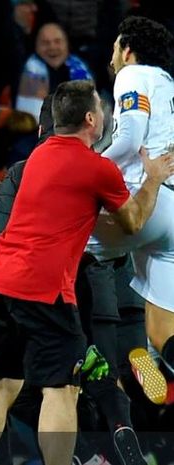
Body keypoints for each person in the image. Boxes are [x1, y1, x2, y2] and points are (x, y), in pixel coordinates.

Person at [0, 79, 174, 465]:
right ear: (92, 119)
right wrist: (153, 178)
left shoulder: (37, 158)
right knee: (62, 389)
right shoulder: (96, 168)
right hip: (44, 290)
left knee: (1, 384)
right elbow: (132, 222)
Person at [86, 16, 174, 405]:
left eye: (115, 48)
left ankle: (84, 353)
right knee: (162, 331)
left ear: (127, 49)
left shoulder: (134, 73)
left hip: (143, 200)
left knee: (71, 249)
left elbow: (130, 136)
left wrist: (93, 167)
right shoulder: (169, 85)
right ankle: (154, 367)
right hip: (171, 209)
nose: (112, 56)